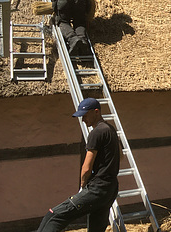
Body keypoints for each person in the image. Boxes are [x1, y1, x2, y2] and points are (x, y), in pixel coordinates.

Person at [37, 98, 120, 232]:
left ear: (96, 112)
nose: (83, 120)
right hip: (110, 189)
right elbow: (120, 156)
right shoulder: (111, 129)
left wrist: (83, 186)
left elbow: (86, 167)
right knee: (96, 228)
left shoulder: (96, 132)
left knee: (54, 215)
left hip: (96, 189)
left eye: (85, 115)